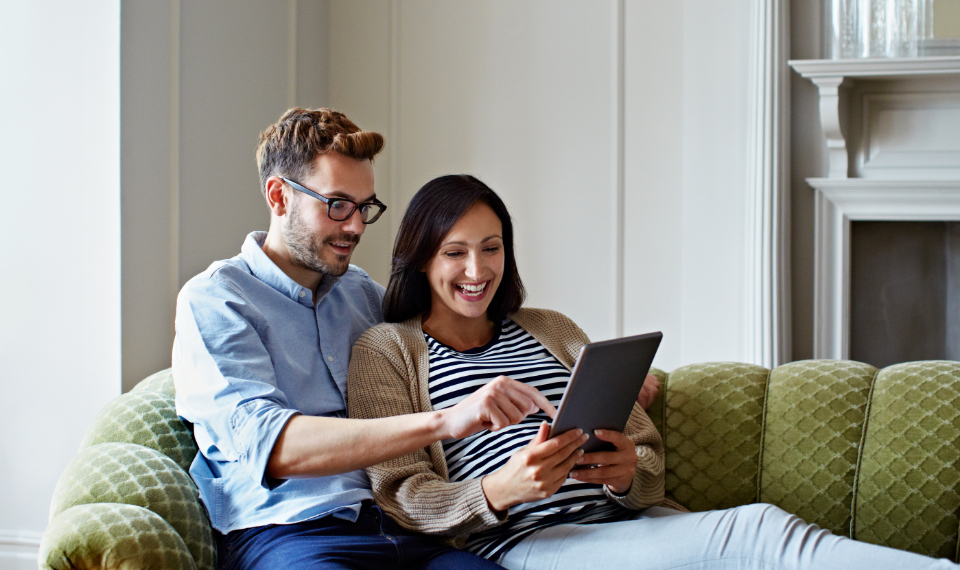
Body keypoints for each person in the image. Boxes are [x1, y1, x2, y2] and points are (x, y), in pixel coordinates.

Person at [347, 174, 959, 570]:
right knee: (759, 533)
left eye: (492, 247)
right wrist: (500, 491)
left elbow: (644, 451)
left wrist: (623, 476)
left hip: (628, 522)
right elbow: (400, 493)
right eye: (455, 252)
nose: (477, 270)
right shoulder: (388, 349)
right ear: (420, 260)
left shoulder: (550, 326)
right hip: (531, 543)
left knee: (762, 545)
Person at [173, 109, 557, 570]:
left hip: (406, 529)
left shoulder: (364, 295)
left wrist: (584, 377)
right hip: (291, 533)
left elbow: (457, 350)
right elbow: (272, 447)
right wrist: (443, 421)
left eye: (364, 207)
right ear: (279, 196)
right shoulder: (217, 300)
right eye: (337, 204)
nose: (355, 226)